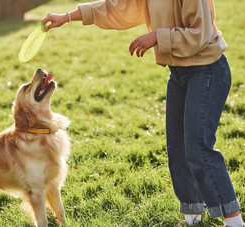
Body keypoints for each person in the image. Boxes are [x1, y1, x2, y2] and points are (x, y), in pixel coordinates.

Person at [41, 0, 243, 226]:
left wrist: (157, 36)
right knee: (177, 148)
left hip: (207, 71)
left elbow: (200, 33)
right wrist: (67, 16)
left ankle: (234, 220)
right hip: (178, 74)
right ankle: (193, 216)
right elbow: (114, 7)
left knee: (197, 147)